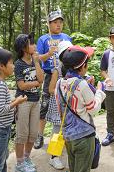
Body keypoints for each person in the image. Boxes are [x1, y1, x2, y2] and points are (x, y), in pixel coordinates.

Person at [56, 45, 106, 172]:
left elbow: (61, 107)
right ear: (82, 66)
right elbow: (93, 109)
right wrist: (99, 92)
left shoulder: (59, 83)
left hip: (68, 136)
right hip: (84, 137)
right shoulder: (82, 84)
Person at [34, 10, 72, 153]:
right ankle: (39, 135)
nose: (58, 25)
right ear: (49, 24)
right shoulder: (43, 39)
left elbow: (72, 54)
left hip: (65, 74)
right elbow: (37, 59)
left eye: (60, 22)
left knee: (66, 105)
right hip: (50, 75)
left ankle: (65, 135)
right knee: (44, 105)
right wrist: (49, 53)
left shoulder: (66, 37)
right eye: (55, 22)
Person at [0, 48, 27, 172]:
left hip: (2, 129)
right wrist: (16, 102)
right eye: (11, 63)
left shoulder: (0, 83)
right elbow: (0, 110)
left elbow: (2, 105)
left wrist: (13, 101)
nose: (13, 66)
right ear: (1, 66)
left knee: (2, 159)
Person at [13, 33, 44, 172]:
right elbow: (21, 86)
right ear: (23, 48)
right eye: (31, 44)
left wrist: (37, 62)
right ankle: (19, 163)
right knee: (22, 134)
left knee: (33, 133)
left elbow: (41, 79)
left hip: (35, 101)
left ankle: (26, 158)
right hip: (23, 101)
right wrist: (36, 83)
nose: (35, 46)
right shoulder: (18, 64)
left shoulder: (35, 60)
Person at [45, 40, 72, 170]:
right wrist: (62, 90)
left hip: (70, 105)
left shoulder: (74, 68)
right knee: (57, 130)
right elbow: (50, 89)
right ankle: (54, 157)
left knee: (69, 128)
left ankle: (65, 151)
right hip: (58, 104)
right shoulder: (57, 70)